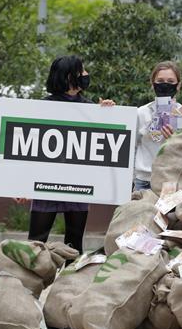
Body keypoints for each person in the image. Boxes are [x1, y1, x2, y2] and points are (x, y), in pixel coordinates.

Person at [25, 56, 115, 254]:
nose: (85, 75)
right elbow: (27, 148)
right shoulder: (41, 108)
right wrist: (21, 183)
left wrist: (108, 114)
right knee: (36, 243)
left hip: (78, 185)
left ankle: (68, 284)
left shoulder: (92, 108)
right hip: (45, 183)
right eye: (81, 71)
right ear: (68, 76)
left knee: (74, 245)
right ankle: (29, 283)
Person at [133, 61, 182, 191]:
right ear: (153, 84)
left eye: (170, 81)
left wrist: (176, 140)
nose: (165, 85)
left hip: (173, 181)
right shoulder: (141, 113)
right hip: (144, 181)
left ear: (178, 85)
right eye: (160, 81)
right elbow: (130, 147)